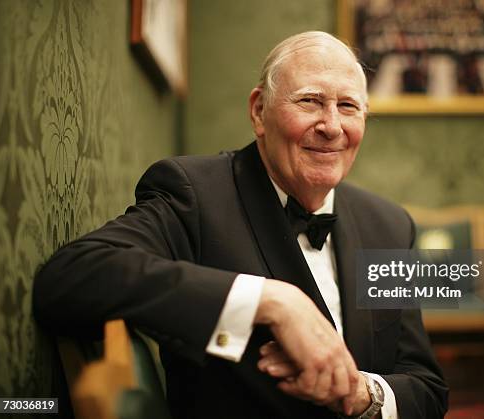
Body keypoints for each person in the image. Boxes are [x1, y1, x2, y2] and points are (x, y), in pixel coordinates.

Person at [33, 31, 448, 419]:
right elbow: (70, 278)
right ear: (259, 111)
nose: (331, 126)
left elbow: (427, 389)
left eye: (348, 106)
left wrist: (361, 394)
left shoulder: (390, 225)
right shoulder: (195, 194)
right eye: (309, 101)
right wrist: (270, 301)